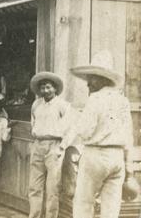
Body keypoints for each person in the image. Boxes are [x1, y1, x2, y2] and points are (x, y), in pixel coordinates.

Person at [63, 51, 135, 218]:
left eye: (92, 78)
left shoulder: (95, 99)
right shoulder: (123, 101)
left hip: (95, 154)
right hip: (117, 157)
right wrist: (129, 170)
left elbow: (84, 131)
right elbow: (128, 137)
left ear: (102, 79)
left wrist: (75, 121)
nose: (88, 83)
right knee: (111, 208)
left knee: (83, 203)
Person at [27, 71, 71, 218]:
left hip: (54, 146)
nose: (45, 91)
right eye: (42, 88)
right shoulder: (36, 104)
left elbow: (70, 129)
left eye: (48, 87)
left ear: (55, 88)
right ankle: (34, 215)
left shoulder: (63, 105)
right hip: (38, 144)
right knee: (34, 186)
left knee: (52, 188)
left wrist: (62, 146)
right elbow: (33, 124)